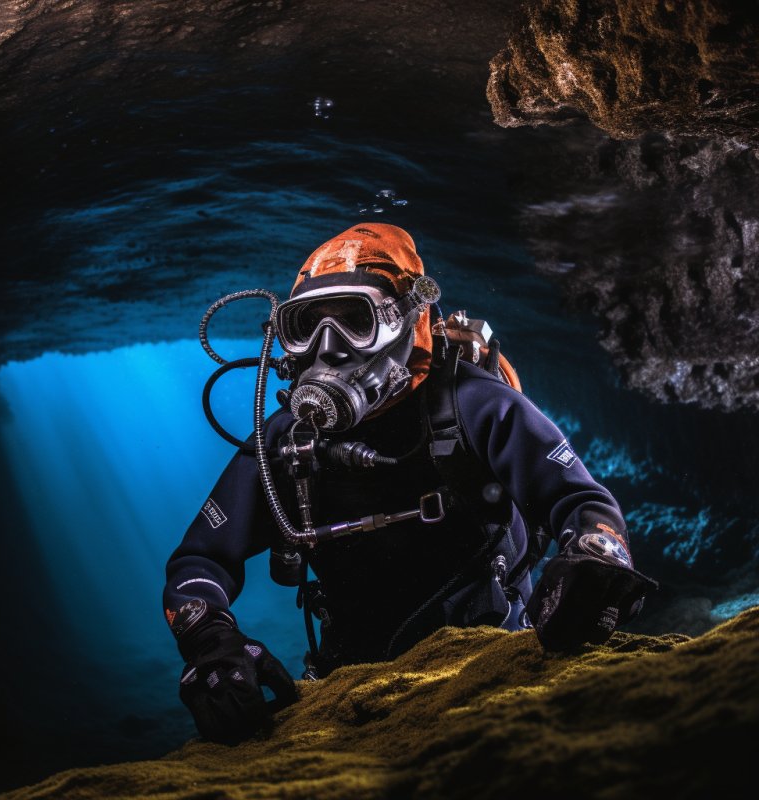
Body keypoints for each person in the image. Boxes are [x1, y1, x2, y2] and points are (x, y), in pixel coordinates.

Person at [163, 223, 655, 744]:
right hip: (347, 686)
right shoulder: (285, 442)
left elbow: (583, 502)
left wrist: (596, 556)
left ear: (407, 320)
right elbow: (199, 562)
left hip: (486, 665)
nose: (328, 350)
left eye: (355, 321)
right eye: (307, 326)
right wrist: (210, 640)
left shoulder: (474, 404)